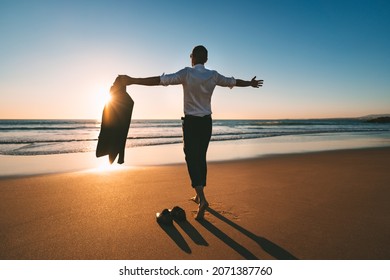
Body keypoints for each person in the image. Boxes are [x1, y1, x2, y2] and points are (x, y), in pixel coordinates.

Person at [117, 45, 263, 219]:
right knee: (200, 156)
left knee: (191, 157)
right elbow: (233, 82)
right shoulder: (213, 75)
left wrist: (132, 80)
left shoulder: (186, 73)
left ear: (191, 57)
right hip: (207, 123)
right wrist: (250, 83)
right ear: (206, 59)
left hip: (191, 123)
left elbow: (160, 80)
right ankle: (198, 193)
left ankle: (202, 199)